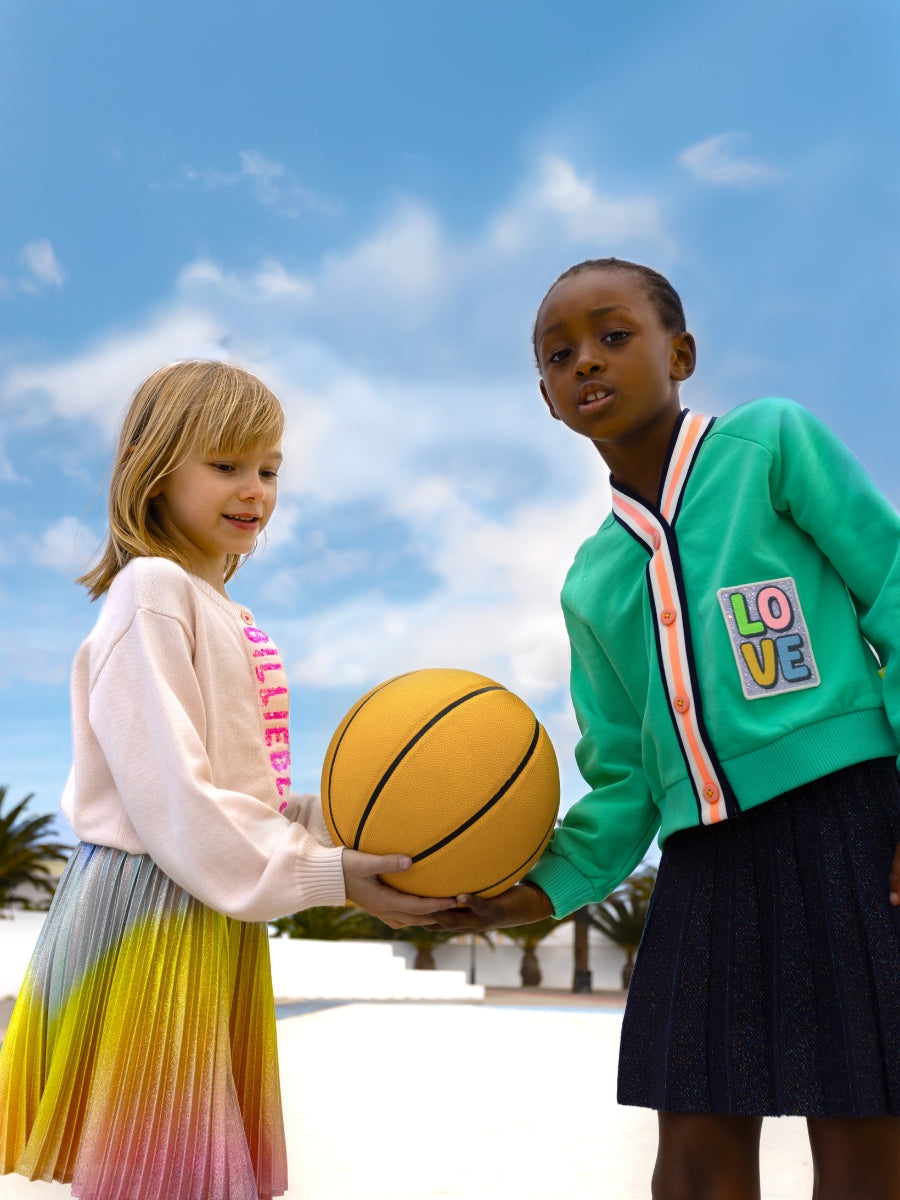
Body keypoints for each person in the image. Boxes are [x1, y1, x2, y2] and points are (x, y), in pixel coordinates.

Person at [433, 260, 900, 1198]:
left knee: (864, 1140)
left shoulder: (771, 444)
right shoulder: (591, 581)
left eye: (613, 336)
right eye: (557, 356)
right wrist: (536, 889)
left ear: (680, 353)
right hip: (704, 868)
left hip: (848, 830)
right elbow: (623, 779)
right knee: (690, 1156)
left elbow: (893, 588)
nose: (584, 362)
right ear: (547, 400)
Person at [0, 360, 452, 1200]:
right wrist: (329, 875)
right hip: (152, 904)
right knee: (162, 1172)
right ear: (154, 471)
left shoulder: (231, 614)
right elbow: (174, 798)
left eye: (269, 470)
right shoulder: (152, 589)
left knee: (182, 1173)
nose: (254, 490)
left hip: (206, 897)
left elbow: (244, 796)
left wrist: (356, 824)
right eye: (225, 464)